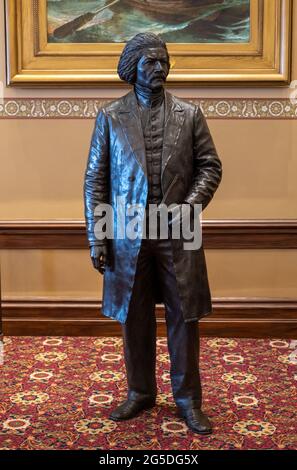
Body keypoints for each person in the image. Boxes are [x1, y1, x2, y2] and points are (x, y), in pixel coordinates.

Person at [84, 32, 222, 435]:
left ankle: (187, 400)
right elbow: (96, 179)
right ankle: (140, 392)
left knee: (185, 316)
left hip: (178, 229)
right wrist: (98, 236)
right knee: (134, 315)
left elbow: (210, 167)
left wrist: (188, 207)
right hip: (126, 230)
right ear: (132, 68)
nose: (158, 68)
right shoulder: (110, 117)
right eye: (149, 62)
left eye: (162, 60)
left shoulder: (190, 114)